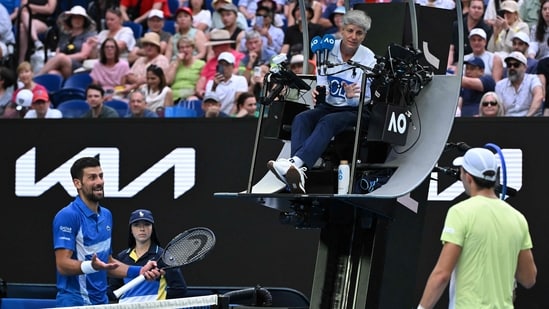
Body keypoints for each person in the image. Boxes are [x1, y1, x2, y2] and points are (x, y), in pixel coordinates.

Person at [267, 10, 376, 194]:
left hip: (355, 111)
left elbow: (367, 96)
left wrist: (352, 97)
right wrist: (321, 92)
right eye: (350, 31)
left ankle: (297, 165)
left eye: (359, 33)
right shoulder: (327, 49)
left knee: (328, 121)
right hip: (329, 106)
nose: (353, 37)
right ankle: (298, 171)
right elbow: (322, 79)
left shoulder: (368, 58)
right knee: (302, 118)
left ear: (364, 35)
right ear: (342, 30)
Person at [417, 147, 537, 309]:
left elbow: (442, 275)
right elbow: (528, 278)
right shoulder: (518, 219)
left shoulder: (460, 212)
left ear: (467, 177)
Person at [53, 157, 163, 306]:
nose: (99, 182)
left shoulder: (106, 215)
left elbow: (108, 263)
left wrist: (140, 271)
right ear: (77, 183)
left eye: (101, 176)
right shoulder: (68, 216)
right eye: (92, 177)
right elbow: (62, 265)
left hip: (101, 302)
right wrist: (91, 266)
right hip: (75, 302)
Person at [108, 209, 186, 302]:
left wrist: (159, 301)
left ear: (152, 228)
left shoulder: (163, 256)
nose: (142, 229)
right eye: (136, 225)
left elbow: (179, 289)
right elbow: (112, 291)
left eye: (146, 224)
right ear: (131, 229)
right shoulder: (122, 257)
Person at [37, 5, 98, 78]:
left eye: (80, 18)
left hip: (78, 66)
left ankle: (36, 77)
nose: (77, 20)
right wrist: (60, 58)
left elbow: (83, 55)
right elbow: (58, 52)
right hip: (62, 65)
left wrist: (63, 58)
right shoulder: (65, 36)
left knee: (61, 57)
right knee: (52, 73)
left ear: (84, 20)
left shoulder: (88, 35)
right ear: (70, 20)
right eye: (75, 18)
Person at [196, 29, 244, 98]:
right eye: (213, 46)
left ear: (225, 45)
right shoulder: (211, 61)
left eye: (215, 46)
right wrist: (200, 91)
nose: (213, 49)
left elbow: (235, 73)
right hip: (207, 94)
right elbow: (202, 78)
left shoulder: (239, 57)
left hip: (228, 91)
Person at [495, 51, 544, 116]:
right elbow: (500, 109)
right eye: (509, 65)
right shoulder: (500, 85)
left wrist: (526, 119)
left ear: (525, 68)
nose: (512, 68)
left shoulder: (533, 79)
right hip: (509, 122)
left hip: (531, 120)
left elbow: (539, 96)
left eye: (516, 65)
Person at [448, 0, 492, 68]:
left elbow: (485, 52)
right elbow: (451, 48)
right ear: (468, 8)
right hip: (456, 63)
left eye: (479, 8)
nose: (476, 10)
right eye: (474, 7)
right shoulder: (457, 25)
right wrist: (449, 65)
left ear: (483, 11)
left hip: (476, 65)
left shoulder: (487, 29)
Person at [165, 36, 205, 102]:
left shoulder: (201, 64)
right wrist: (176, 63)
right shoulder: (174, 64)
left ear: (192, 49)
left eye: (187, 47)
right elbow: (167, 81)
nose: (184, 50)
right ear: (178, 50)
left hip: (190, 97)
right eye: (182, 48)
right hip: (173, 97)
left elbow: (200, 86)